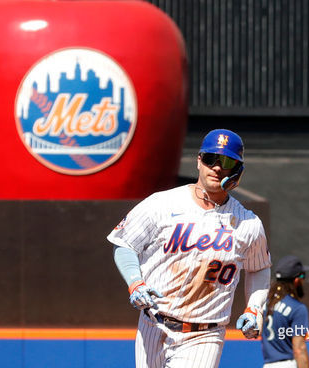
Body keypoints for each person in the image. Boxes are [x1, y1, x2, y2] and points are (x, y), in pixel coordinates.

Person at [107, 129, 271, 367]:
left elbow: (259, 268)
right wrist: (135, 282)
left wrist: (254, 308)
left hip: (204, 333)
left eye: (225, 161)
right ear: (198, 161)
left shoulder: (248, 224)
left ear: (237, 170)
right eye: (210, 159)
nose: (216, 167)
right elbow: (124, 243)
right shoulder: (161, 203)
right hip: (152, 324)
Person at [260, 255, 309, 368]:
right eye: (303, 276)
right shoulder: (298, 308)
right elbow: (299, 349)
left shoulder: (266, 305)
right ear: (297, 280)